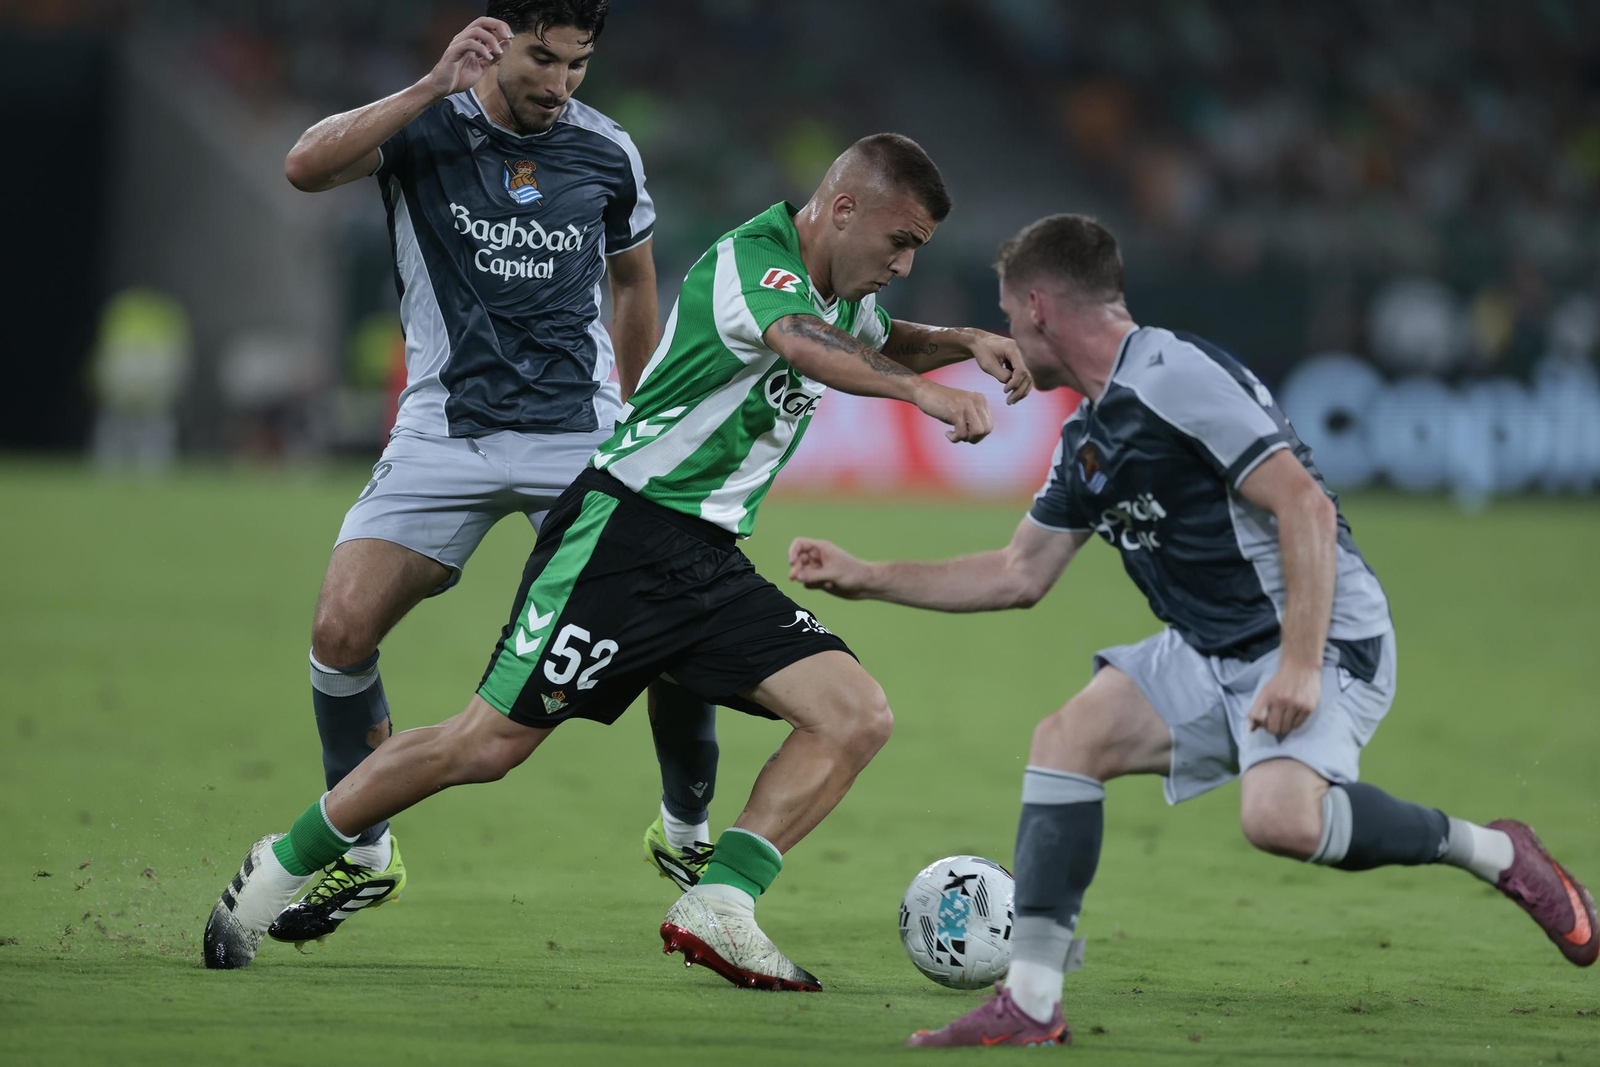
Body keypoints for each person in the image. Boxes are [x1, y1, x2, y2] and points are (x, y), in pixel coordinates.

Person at [204, 133, 1035, 988]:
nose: (903, 263)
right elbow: (801, 340)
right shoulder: (754, 261)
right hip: (621, 537)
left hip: (708, 560)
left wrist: (964, 339)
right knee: (483, 745)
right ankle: (279, 866)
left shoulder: (845, 291)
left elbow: (877, 334)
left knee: (855, 713)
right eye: (901, 242)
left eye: (918, 250)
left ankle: (721, 901)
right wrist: (923, 392)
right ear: (845, 208)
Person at [788, 214, 1598, 1046]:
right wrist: (868, 576)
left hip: (1316, 634)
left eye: (1005, 311)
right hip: (1209, 647)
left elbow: (1305, 506)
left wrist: (1299, 664)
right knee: (1067, 739)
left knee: (1279, 818)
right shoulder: (1089, 434)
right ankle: (1031, 1000)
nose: (1005, 335)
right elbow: (1018, 574)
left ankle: (1496, 852)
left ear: (1037, 307)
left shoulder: (1175, 376)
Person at [267, 0, 732, 945]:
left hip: (578, 433)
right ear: (491, 40)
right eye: (541, 59)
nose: (559, 85)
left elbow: (635, 281)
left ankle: (685, 830)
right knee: (340, 626)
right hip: (447, 428)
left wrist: (639, 418)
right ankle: (366, 853)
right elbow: (304, 165)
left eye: (578, 65)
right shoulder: (425, 125)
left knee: (677, 614)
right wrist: (433, 84)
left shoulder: (608, 152)